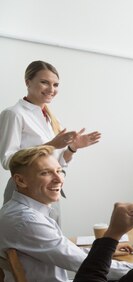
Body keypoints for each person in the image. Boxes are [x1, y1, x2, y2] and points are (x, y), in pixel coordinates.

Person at [0, 146, 133, 282]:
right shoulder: (26, 221)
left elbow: (68, 251)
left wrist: (104, 253)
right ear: (21, 180)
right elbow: (81, 264)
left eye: (59, 171)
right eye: (45, 173)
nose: (58, 179)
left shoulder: (17, 211)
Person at [0, 60, 101, 211]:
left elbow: (57, 162)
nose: (51, 89)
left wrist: (73, 148)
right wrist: (51, 145)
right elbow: (8, 161)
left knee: (54, 235)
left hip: (51, 191)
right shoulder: (14, 114)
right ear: (28, 82)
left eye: (55, 85)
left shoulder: (51, 118)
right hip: (25, 192)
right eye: (44, 82)